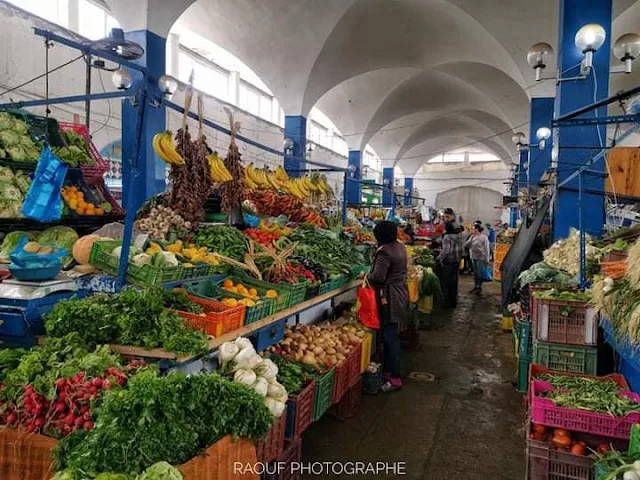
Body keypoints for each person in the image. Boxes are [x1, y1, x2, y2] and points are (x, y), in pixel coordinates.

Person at [366, 221, 409, 393]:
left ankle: (394, 377)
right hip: (399, 292)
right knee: (391, 334)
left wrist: (365, 275)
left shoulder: (384, 252)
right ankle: (389, 371)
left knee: (390, 337)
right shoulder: (399, 246)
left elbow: (378, 276)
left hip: (389, 297)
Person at [437, 221, 463, 308]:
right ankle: (453, 301)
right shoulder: (458, 236)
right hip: (456, 262)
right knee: (453, 283)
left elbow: (446, 250)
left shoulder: (447, 237)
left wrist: (439, 258)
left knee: (445, 283)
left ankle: (447, 302)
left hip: (448, 262)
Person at [466, 223, 491, 295]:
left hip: (481, 258)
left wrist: (487, 258)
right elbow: (467, 245)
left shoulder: (484, 237)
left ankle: (479, 287)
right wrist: (470, 239)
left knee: (480, 273)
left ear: (477, 229)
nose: (472, 230)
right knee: (475, 273)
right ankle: (476, 286)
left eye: (473, 228)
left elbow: (486, 248)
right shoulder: (472, 236)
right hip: (473, 257)